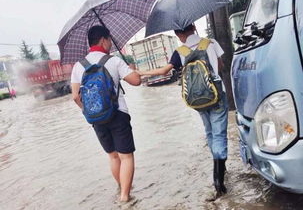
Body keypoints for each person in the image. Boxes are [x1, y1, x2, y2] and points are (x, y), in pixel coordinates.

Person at [137, 24, 228, 198]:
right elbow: (222, 65)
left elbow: (164, 70)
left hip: (197, 100)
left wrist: (141, 72)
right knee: (219, 135)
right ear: (193, 27)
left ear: (178, 34)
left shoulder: (180, 51)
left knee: (210, 132)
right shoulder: (211, 43)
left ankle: (219, 166)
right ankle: (219, 180)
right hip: (216, 95)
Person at [71, 25, 141, 202]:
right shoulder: (114, 60)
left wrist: (90, 114)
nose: (110, 43)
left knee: (113, 155)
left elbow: (75, 97)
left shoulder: (78, 66)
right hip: (118, 113)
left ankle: (121, 188)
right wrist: (131, 68)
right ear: (103, 40)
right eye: (109, 39)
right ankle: (125, 197)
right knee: (126, 157)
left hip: (96, 118)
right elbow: (136, 81)